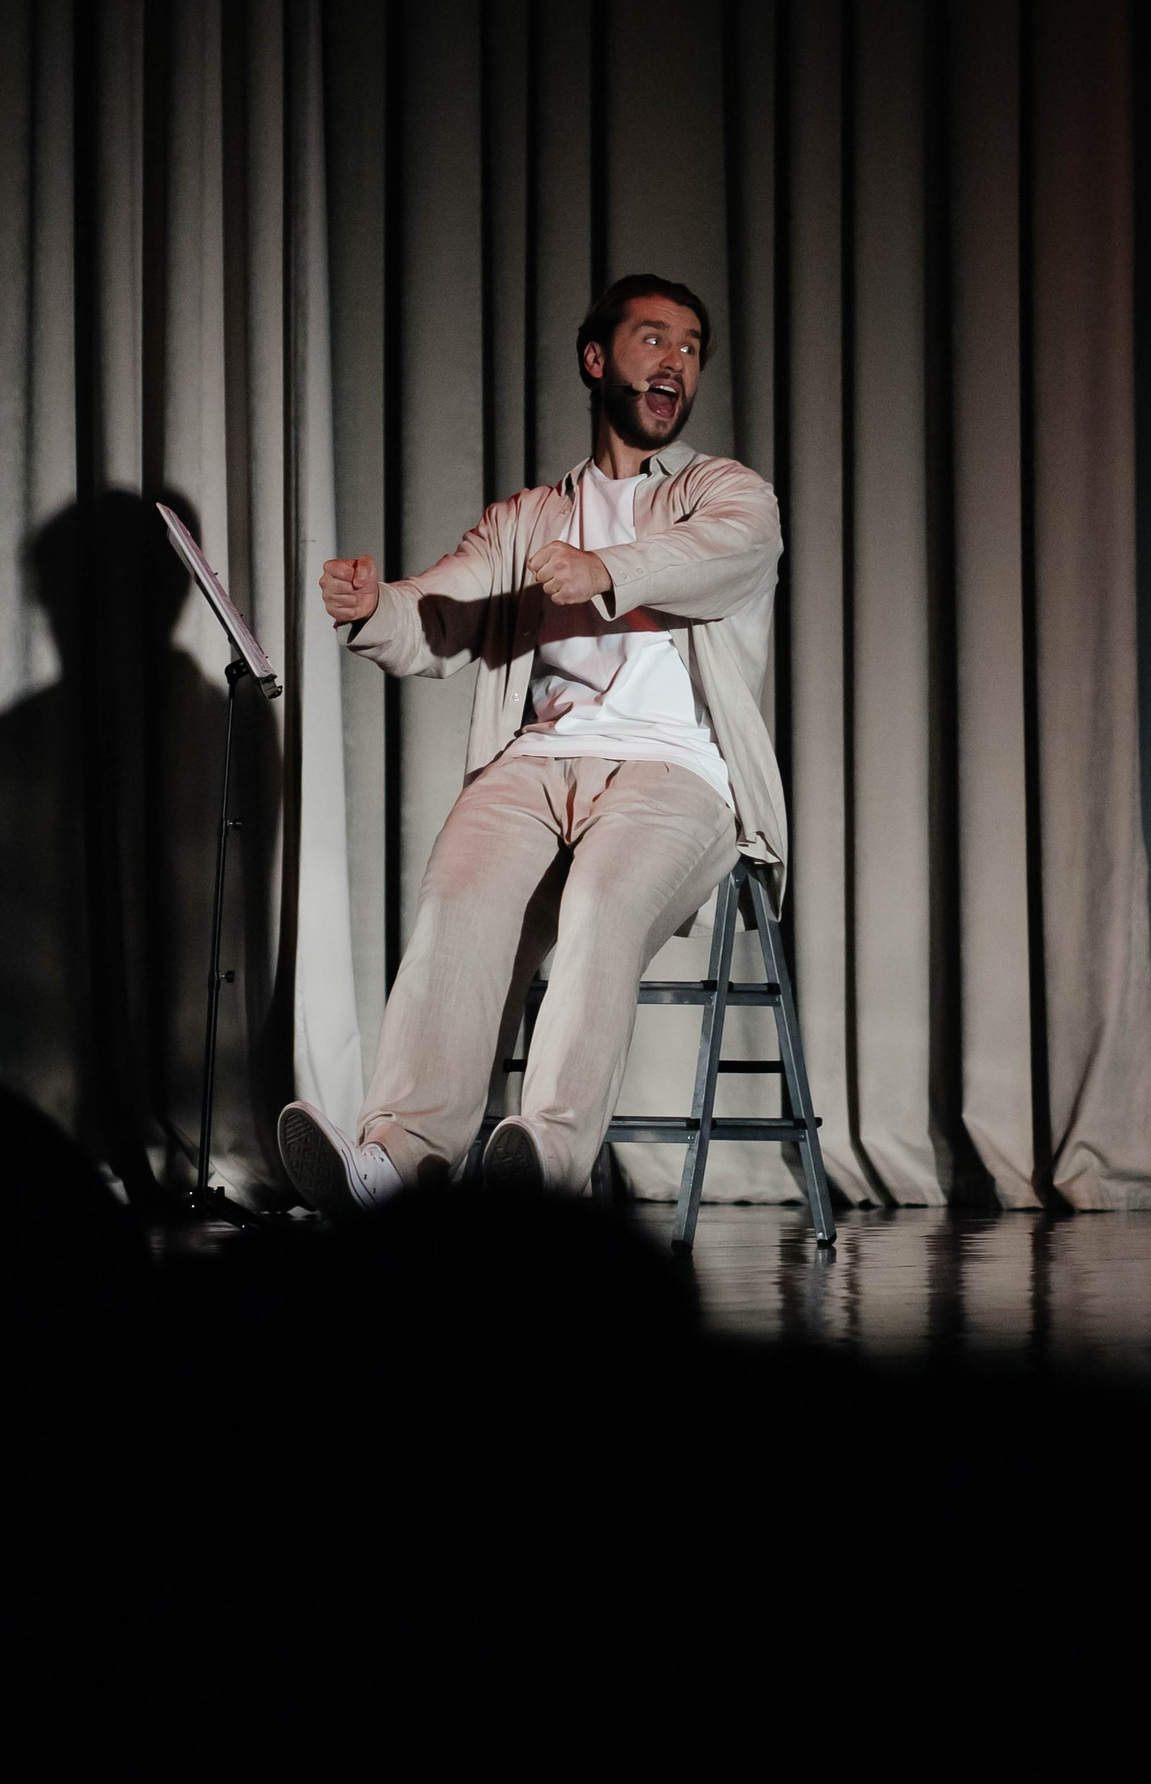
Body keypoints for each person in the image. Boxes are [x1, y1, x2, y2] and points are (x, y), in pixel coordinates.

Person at [276, 275, 785, 1208]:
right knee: (458, 901)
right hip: (540, 761)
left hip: (677, 772)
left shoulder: (723, 492)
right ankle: (394, 1165)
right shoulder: (527, 520)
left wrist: (604, 569)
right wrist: (374, 606)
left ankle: (541, 1173)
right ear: (596, 359)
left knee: (600, 903)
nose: (675, 361)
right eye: (654, 339)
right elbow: (442, 609)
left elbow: (723, 556)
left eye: (690, 347)